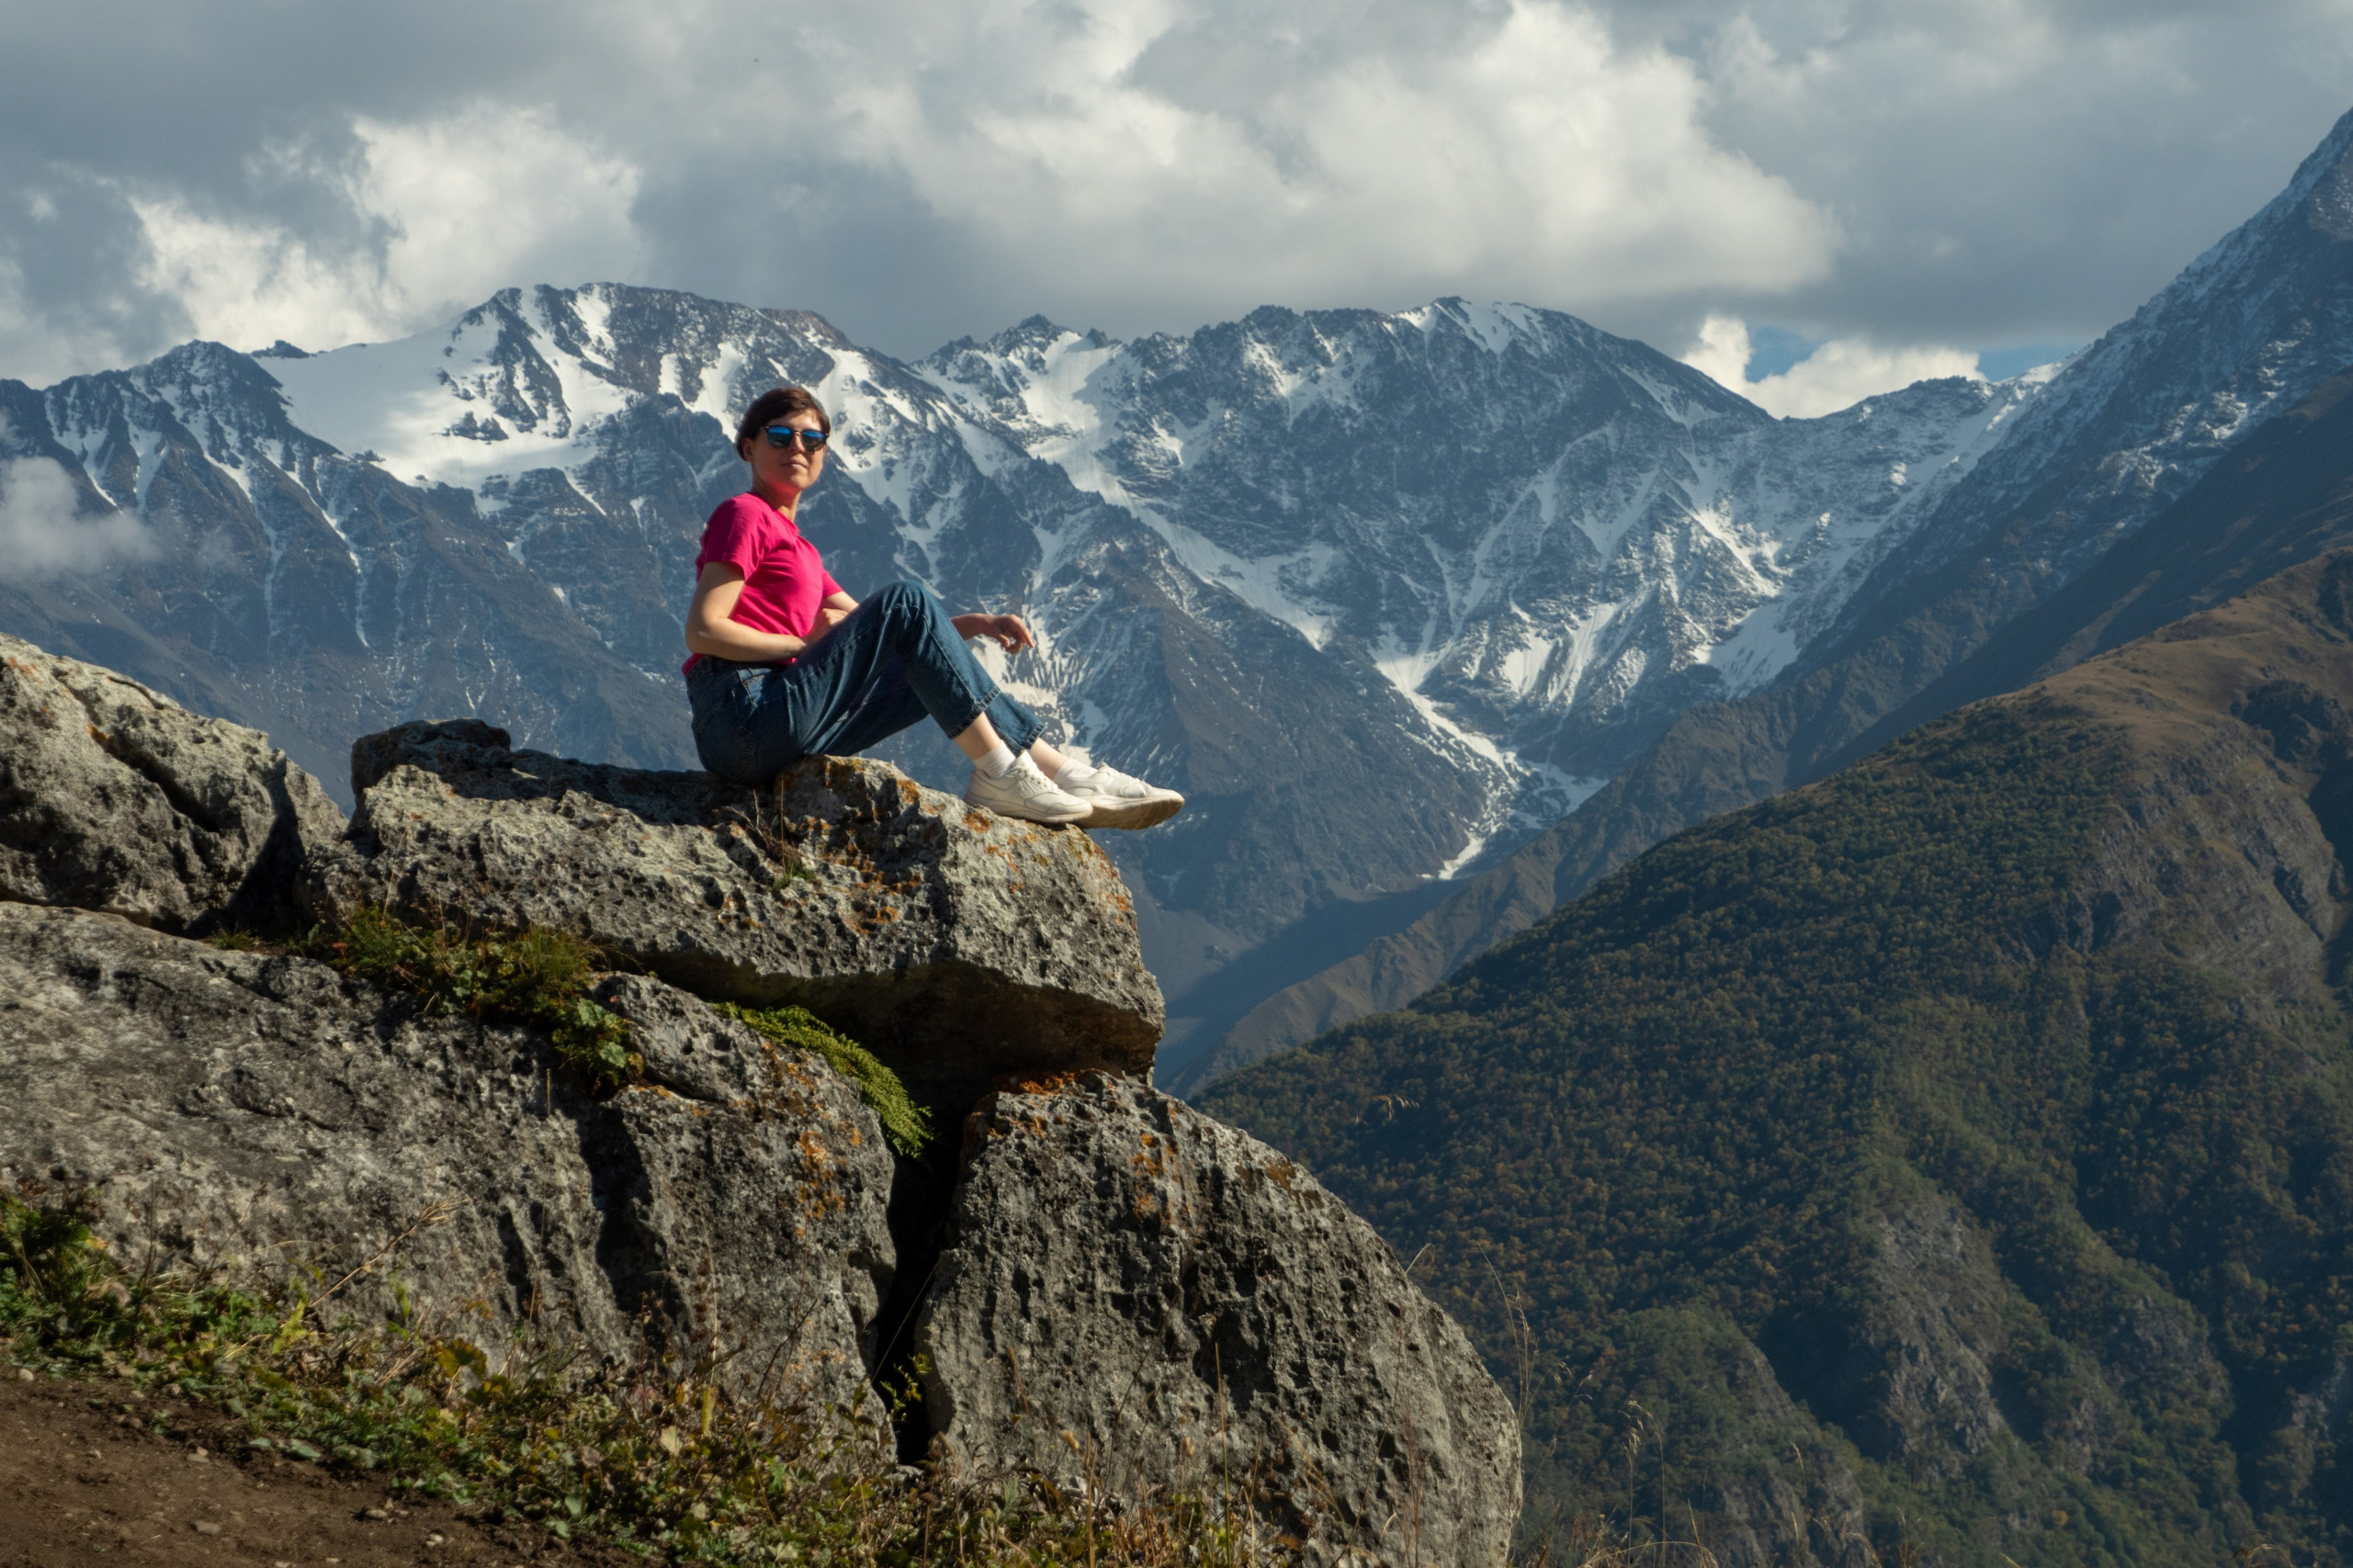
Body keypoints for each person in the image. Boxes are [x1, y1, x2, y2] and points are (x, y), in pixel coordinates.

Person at [682, 385, 1184, 829]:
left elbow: (899, 637)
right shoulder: (745, 514)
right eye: (780, 436)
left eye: (812, 440)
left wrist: (972, 625)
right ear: (748, 447)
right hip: (743, 715)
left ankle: (1062, 773)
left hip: (785, 723)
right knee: (907, 596)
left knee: (929, 671)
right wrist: (802, 644)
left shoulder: (801, 549)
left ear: (823, 454)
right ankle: (1002, 773)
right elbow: (704, 631)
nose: (798, 447)